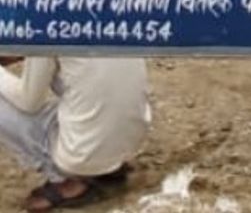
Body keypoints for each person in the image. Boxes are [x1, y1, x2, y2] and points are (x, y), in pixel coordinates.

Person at [0, 56, 150, 211]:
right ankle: (108, 161)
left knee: (37, 83)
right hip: (130, 140)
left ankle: (67, 178)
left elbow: (29, 103)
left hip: (82, 156)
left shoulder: (45, 34)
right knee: (84, 75)